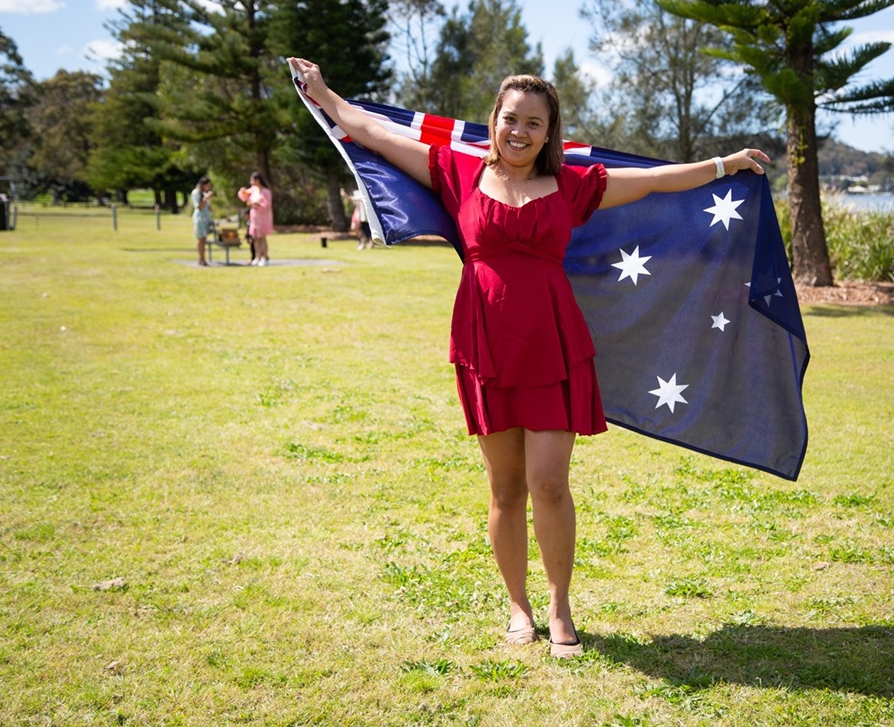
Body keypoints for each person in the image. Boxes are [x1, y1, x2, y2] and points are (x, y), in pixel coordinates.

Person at [289, 57, 769, 658]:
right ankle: (517, 607)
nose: (519, 131)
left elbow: (651, 182)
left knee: (549, 482)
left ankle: (559, 604)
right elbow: (379, 134)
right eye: (510, 118)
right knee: (506, 487)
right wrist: (326, 94)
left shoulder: (572, 185)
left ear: (549, 133)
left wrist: (724, 166)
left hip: (552, 342)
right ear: (493, 120)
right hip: (485, 343)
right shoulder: (456, 171)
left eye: (533, 123)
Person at [237, 172, 273, 266]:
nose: (251, 182)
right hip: (254, 217)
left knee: (262, 238)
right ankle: (257, 257)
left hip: (263, 217)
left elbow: (267, 205)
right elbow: (244, 197)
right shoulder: (253, 190)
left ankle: (265, 257)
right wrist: (242, 191)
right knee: (255, 238)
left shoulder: (266, 191)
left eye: (252, 180)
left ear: (258, 180)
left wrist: (256, 205)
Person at [191, 176, 215, 266]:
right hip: (200, 219)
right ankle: (201, 258)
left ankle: (202, 258)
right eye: (208, 185)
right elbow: (199, 207)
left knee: (204, 239)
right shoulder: (196, 193)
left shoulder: (204, 193)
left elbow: (206, 207)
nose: (209, 187)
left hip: (206, 218)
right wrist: (207, 198)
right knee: (200, 239)